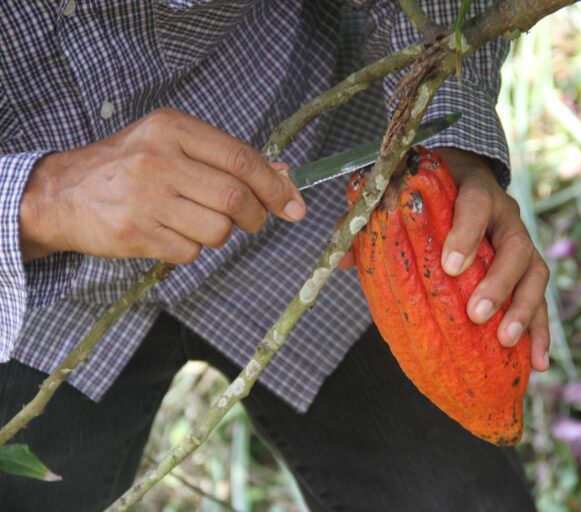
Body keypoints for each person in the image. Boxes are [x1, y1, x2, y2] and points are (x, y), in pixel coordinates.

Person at [0, 1, 550, 510]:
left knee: (459, 497)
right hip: (29, 301)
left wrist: (445, 146)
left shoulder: (392, 207)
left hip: (326, 217)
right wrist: (40, 201)